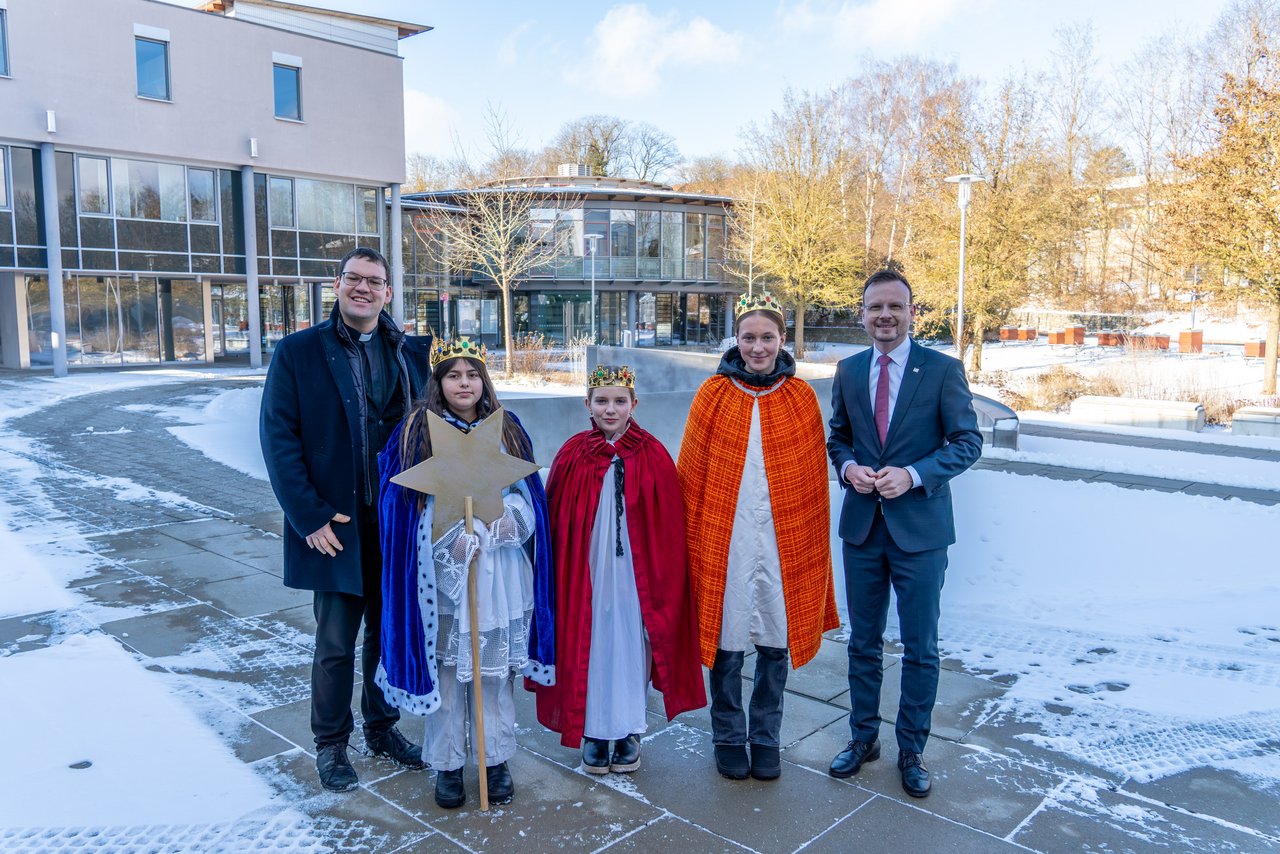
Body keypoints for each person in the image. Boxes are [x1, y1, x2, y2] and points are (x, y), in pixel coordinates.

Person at [260, 247, 431, 792]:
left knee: (387, 632)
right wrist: (309, 516)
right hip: (335, 524)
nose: (363, 288)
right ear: (337, 286)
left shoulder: (407, 353)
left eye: (374, 281)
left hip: (395, 520)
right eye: (353, 278)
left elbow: (431, 429)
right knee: (336, 642)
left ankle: (382, 727)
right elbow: (278, 438)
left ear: (388, 293)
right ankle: (331, 744)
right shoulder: (299, 352)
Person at [376, 337, 553, 809]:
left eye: (472, 374)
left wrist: (509, 519)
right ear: (437, 383)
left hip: (500, 569)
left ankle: (495, 760)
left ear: (484, 381)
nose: (464, 384)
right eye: (453, 375)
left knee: (494, 677)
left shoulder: (506, 428)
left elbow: (530, 495)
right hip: (443, 576)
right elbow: (397, 504)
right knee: (449, 675)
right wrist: (447, 537)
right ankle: (448, 763)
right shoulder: (416, 432)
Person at [826, 269, 982, 798]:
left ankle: (911, 749)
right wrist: (848, 468)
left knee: (920, 648)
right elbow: (838, 438)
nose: (885, 316)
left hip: (921, 531)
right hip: (862, 530)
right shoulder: (849, 370)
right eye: (875, 307)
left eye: (895, 306)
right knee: (862, 642)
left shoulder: (942, 370)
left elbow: (967, 442)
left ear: (913, 312)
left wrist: (914, 475)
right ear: (862, 314)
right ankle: (862, 738)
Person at [677, 292, 840, 782]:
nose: (757, 347)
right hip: (724, 535)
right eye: (748, 337)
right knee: (725, 639)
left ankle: (766, 735)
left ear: (782, 339)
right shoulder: (712, 395)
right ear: (736, 340)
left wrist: (807, 541)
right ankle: (728, 735)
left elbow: (811, 483)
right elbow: (690, 473)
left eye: (767, 337)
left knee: (775, 638)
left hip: (782, 538)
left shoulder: (800, 398)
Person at [536, 365, 704, 774]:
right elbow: (556, 521)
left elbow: (668, 524)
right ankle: (594, 732)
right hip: (587, 571)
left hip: (636, 572)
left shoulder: (653, 453)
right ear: (587, 404)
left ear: (634, 404)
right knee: (589, 642)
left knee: (632, 644)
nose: (610, 409)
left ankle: (628, 729)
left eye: (619, 401)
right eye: (601, 401)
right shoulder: (573, 453)